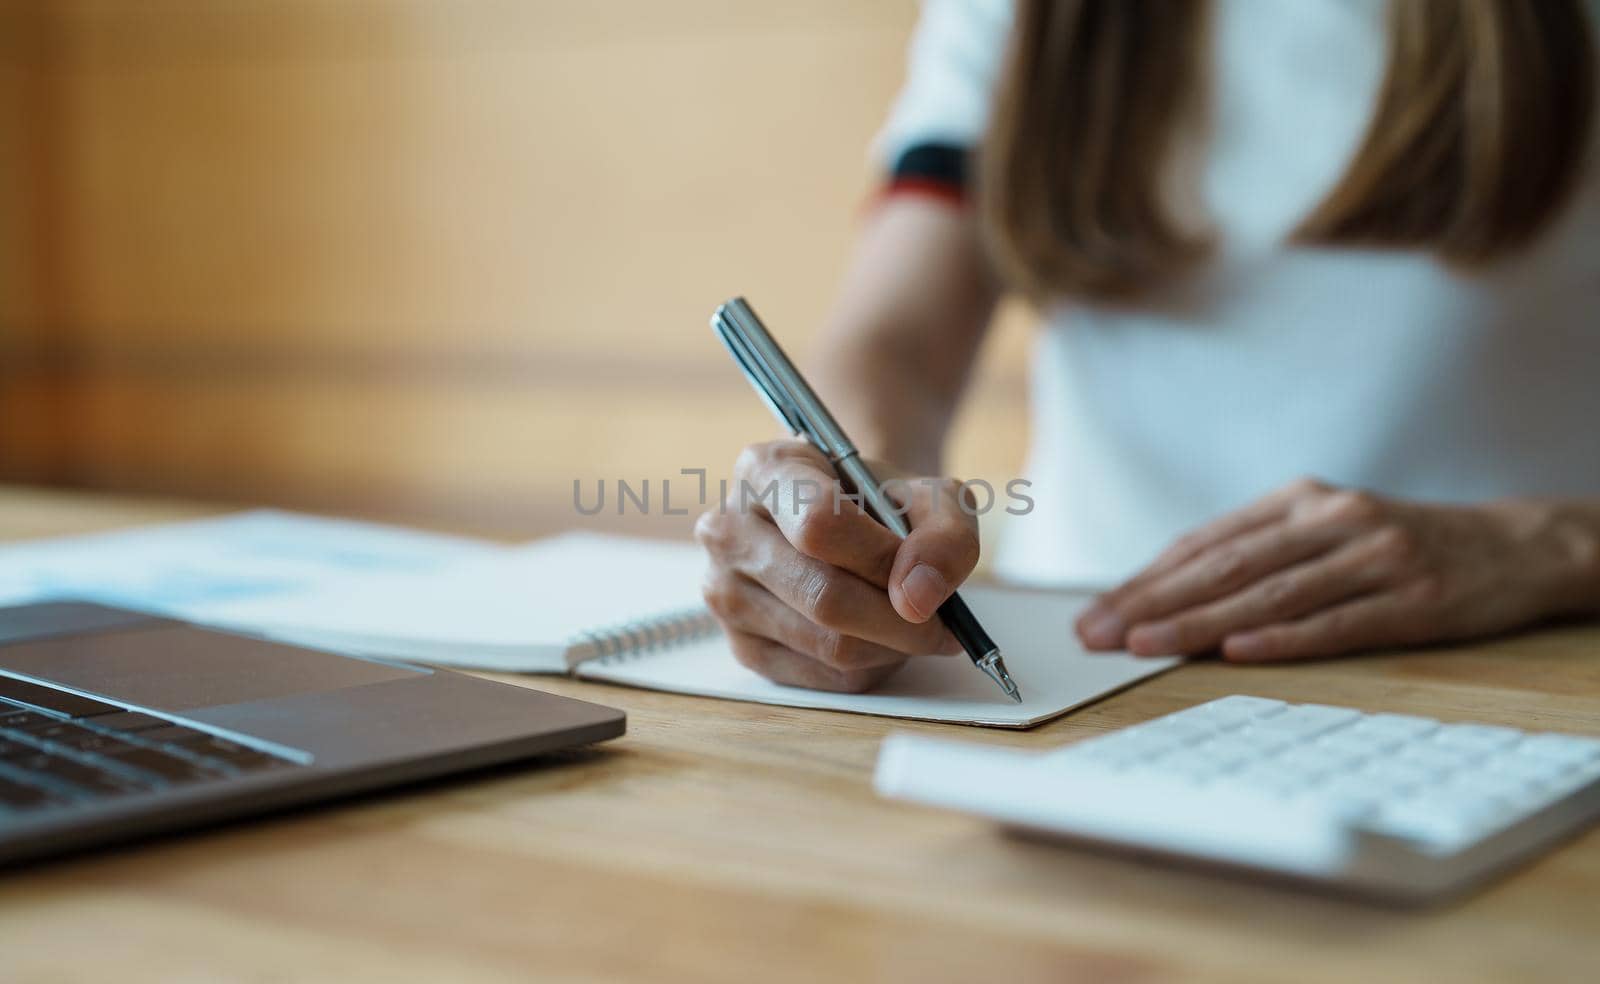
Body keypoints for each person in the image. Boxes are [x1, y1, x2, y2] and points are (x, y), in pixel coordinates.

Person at [695, 0, 1600, 693]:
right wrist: (847, 528)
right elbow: (898, 338)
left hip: (1508, 681)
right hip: (1086, 669)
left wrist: (1548, 546)